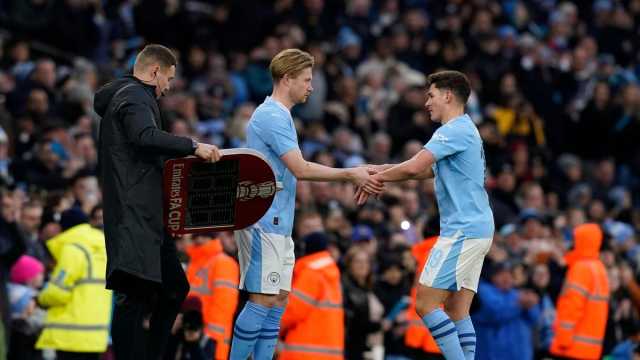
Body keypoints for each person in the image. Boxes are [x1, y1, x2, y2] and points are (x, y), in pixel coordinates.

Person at [229, 48, 381, 360]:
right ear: (287, 79)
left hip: (280, 221)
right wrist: (350, 173)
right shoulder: (271, 115)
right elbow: (300, 168)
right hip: (263, 217)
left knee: (278, 298)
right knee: (262, 298)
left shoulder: (281, 116)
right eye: (307, 79)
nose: (311, 87)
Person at [93, 44, 221, 360]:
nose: (167, 88)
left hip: (147, 214)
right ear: (154, 72)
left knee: (174, 287)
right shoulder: (136, 97)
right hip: (134, 212)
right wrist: (192, 146)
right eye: (168, 79)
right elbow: (144, 136)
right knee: (133, 296)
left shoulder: (126, 95)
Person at [358, 70, 495, 360]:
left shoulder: (453, 130)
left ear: (448, 95)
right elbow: (424, 170)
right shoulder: (467, 129)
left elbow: (411, 167)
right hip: (478, 228)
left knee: (425, 303)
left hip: (462, 229)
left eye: (431, 96)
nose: (427, 103)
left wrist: (375, 178)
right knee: (458, 310)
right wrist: (378, 170)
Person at [35, 210, 112, 360]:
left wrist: (39, 299)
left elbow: (57, 293)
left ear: (63, 227)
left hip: (69, 335)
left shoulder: (73, 249)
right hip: (95, 335)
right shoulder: (104, 249)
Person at [549, 223, 609, 359]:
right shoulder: (599, 268)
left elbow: (572, 306)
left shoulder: (580, 269)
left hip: (571, 347)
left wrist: (562, 339)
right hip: (590, 349)